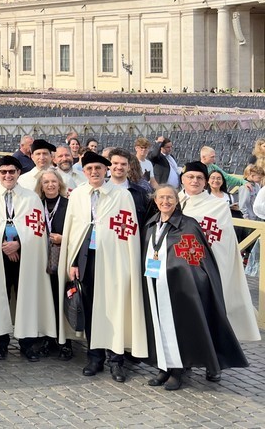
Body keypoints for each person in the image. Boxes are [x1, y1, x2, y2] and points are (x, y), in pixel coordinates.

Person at [142, 185, 248, 390]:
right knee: (159, 326)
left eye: (170, 198)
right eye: (161, 198)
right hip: (155, 284)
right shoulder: (151, 224)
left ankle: (177, 370)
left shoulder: (188, 225)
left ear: (177, 201)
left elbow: (195, 258)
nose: (165, 201)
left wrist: (185, 277)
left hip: (179, 287)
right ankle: (164, 367)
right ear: (155, 201)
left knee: (179, 327)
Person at [58, 151, 147, 383]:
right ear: (84, 171)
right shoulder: (78, 195)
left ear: (106, 170)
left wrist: (127, 262)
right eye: (89, 169)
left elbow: (128, 230)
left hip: (114, 260)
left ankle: (116, 360)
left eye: (98, 168)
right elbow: (74, 230)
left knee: (115, 308)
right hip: (86, 259)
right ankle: (94, 357)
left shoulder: (121, 195)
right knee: (89, 308)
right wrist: (73, 262)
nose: (94, 172)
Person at [0, 155, 55, 362]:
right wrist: (4, 245)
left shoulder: (31, 198)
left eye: (12, 171)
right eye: (4, 172)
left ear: (19, 173)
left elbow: (37, 230)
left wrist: (18, 243)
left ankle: (26, 344)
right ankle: (1, 343)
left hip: (25, 257)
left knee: (25, 297)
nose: (7, 175)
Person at [177, 161, 260, 343]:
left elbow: (223, 242)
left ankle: (209, 352)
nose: (194, 181)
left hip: (204, 267)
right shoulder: (172, 201)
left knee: (206, 310)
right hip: (176, 267)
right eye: (190, 177)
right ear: (182, 179)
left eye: (199, 178)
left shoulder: (217, 206)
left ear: (205, 181)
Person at [35, 169, 74, 361]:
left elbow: (77, 232)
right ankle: (47, 338)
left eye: (53, 181)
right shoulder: (35, 205)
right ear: (41, 187)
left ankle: (65, 342)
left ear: (60, 184)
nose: (50, 185)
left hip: (62, 259)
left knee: (61, 299)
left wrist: (63, 238)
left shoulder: (69, 205)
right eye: (46, 182)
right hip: (41, 259)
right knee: (46, 300)